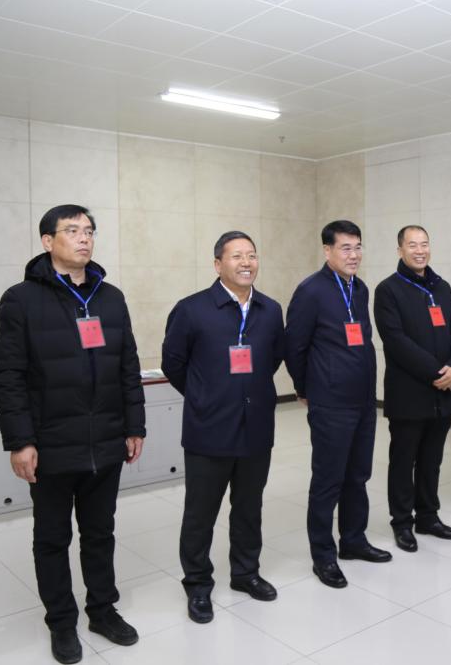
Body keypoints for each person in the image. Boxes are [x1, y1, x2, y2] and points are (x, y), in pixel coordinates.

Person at [0, 204, 145, 665]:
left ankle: (102, 610)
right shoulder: (21, 299)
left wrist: (134, 425)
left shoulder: (110, 298)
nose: (84, 238)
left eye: (90, 231)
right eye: (72, 230)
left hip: (106, 442)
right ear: (48, 241)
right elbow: (8, 377)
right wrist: (20, 441)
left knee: (100, 533)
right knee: (52, 538)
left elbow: (128, 366)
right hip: (51, 444)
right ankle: (61, 621)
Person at [161, 231, 285, 624]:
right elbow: (173, 363)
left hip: (256, 427)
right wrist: (204, 395)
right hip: (209, 428)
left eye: (252, 255)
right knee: (200, 513)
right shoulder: (192, 309)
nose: (246, 262)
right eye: (236, 256)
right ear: (218, 264)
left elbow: (273, 358)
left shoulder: (270, 310)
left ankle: (246, 573)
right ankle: (198, 584)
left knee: (249, 507)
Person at [285, 219, 391, 588]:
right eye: (345, 248)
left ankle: (353, 540)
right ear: (327, 250)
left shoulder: (359, 288)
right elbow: (294, 346)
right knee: (328, 479)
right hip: (330, 401)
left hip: (363, 399)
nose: (354, 255)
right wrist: (306, 387)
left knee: (358, 475)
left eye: (358, 247)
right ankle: (323, 556)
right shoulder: (311, 291)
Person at [374, 225, 451, 552]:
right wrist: (437, 372)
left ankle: (428, 516)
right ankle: (402, 522)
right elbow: (395, 340)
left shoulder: (441, 287)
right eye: (412, 245)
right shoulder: (388, 290)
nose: (419, 250)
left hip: (443, 391)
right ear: (400, 250)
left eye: (424, 244)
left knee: (432, 459)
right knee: (404, 460)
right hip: (409, 392)